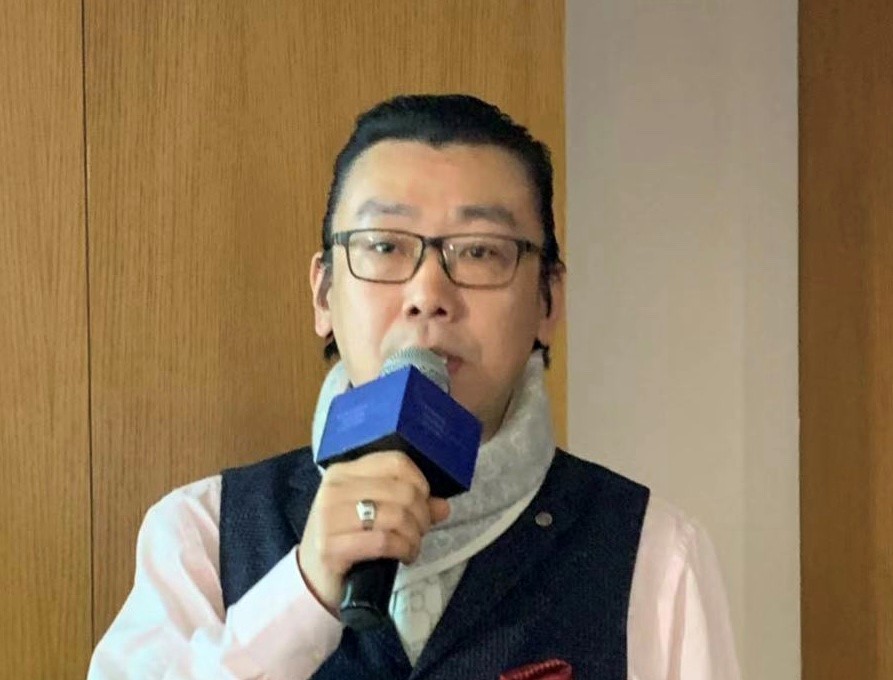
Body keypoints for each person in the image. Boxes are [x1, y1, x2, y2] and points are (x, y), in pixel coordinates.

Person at [88, 94, 740, 679]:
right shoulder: (203, 531)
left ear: (548, 301)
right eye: (383, 246)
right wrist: (303, 595)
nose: (428, 293)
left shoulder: (653, 553)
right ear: (323, 293)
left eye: (480, 251)